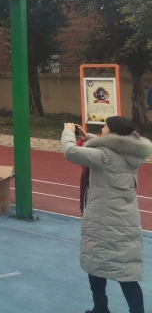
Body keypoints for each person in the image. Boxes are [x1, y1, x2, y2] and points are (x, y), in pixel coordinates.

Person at [62, 118, 152, 313]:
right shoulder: (130, 152)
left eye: (104, 127)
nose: (102, 129)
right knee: (123, 270)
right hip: (124, 219)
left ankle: (101, 307)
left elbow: (71, 152)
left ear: (113, 134)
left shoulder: (104, 155)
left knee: (99, 265)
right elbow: (112, 146)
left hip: (104, 220)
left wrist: (68, 132)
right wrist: (90, 137)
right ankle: (107, 308)